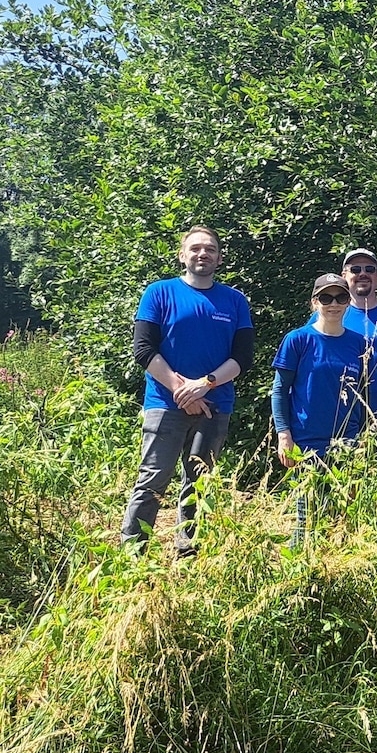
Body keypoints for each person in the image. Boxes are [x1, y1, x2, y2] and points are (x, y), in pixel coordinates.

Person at [121, 226, 255, 555]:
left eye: (209, 249)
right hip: (164, 405)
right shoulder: (159, 293)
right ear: (182, 255)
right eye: (194, 248)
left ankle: (188, 553)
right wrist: (182, 390)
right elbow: (143, 349)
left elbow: (242, 358)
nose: (202, 254)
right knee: (153, 480)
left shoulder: (235, 301)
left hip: (215, 405)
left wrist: (203, 385)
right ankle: (132, 557)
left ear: (219, 258)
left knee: (198, 485)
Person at [272, 273, 368, 546]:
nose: (333, 304)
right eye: (326, 298)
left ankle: (331, 574)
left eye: (340, 297)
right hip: (307, 439)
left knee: (341, 515)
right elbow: (280, 390)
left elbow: (362, 393)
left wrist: (362, 437)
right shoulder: (298, 339)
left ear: (348, 301)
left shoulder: (358, 343)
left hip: (346, 441)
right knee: (307, 514)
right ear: (315, 302)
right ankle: (297, 573)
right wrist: (284, 434)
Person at [335, 247, 377, 419]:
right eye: (355, 269)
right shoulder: (330, 313)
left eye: (369, 269)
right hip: (340, 415)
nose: (363, 274)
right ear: (344, 276)